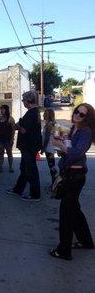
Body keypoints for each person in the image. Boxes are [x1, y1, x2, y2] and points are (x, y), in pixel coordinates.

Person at [50, 103, 95, 260]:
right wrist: (62, 141)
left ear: (87, 118)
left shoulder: (86, 131)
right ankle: (86, 241)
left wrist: (60, 145)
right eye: (77, 111)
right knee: (74, 210)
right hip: (69, 172)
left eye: (82, 114)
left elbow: (76, 152)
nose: (77, 115)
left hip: (75, 177)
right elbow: (69, 149)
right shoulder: (74, 128)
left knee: (66, 214)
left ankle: (64, 251)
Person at [6, 90, 42, 201]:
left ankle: (35, 195)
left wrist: (17, 126)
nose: (23, 102)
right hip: (29, 146)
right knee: (25, 169)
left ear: (28, 101)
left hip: (28, 146)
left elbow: (24, 130)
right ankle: (18, 189)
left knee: (31, 171)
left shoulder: (32, 113)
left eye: (23, 100)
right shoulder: (34, 112)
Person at [0, 104, 15, 173]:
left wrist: (12, 139)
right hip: (0, 139)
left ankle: (11, 167)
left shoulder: (10, 119)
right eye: (1, 109)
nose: (2, 110)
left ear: (6, 110)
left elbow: (13, 130)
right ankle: (0, 167)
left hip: (8, 139)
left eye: (3, 109)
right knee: (1, 153)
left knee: (9, 153)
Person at [41, 108, 58, 185]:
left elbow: (47, 138)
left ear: (48, 115)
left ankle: (55, 184)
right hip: (50, 148)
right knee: (52, 167)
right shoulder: (50, 123)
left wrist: (43, 149)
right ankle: (54, 184)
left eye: (45, 113)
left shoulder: (49, 124)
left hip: (49, 148)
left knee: (52, 167)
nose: (43, 115)